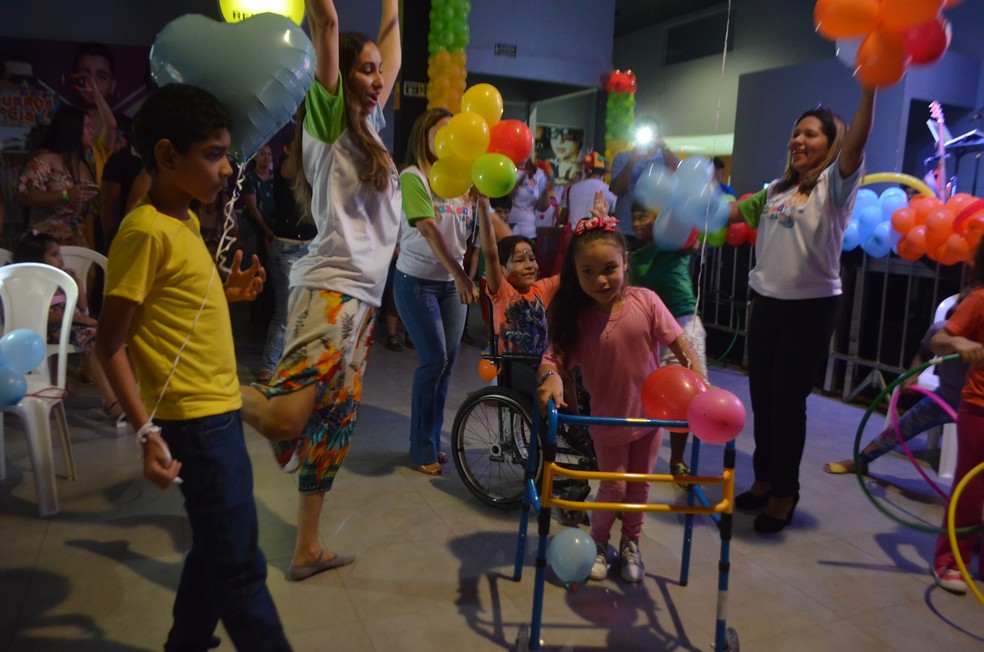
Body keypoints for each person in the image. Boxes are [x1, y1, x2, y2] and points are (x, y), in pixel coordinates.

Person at [93, 83, 290, 651]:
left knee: (215, 544)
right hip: (195, 423)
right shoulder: (145, 229)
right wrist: (146, 431)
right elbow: (111, 344)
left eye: (227, 153)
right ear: (165, 156)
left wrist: (224, 294)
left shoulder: (183, 222)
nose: (228, 168)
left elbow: (172, 306)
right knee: (241, 567)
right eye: (214, 153)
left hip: (219, 410)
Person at [239, 0, 401, 581]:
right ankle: (209, 387)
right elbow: (326, 22)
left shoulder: (374, 129)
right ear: (338, 77)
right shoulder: (327, 122)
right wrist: (327, 24)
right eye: (364, 69)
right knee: (286, 420)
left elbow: (392, 34)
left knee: (332, 429)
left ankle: (307, 547)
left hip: (362, 301)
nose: (377, 78)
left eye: (379, 69)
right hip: (330, 289)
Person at [730, 86, 876, 534]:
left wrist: (869, 88)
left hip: (809, 309)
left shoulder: (835, 185)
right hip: (767, 304)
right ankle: (765, 478)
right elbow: (733, 214)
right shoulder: (778, 188)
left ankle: (785, 493)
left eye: (811, 134)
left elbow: (857, 142)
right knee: (763, 401)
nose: (799, 140)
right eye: (795, 133)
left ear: (830, 144)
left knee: (787, 404)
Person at [536, 211, 704, 583]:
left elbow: (678, 341)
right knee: (613, 483)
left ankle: (631, 544)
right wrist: (551, 379)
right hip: (607, 421)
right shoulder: (578, 319)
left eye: (609, 268)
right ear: (575, 274)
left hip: (649, 418)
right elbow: (553, 358)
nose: (600, 279)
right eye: (588, 272)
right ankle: (598, 543)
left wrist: (698, 379)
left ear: (626, 263)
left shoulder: (646, 301)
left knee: (640, 483)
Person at [394, 107, 478, 475]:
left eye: (453, 130)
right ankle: (421, 447)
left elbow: (473, 234)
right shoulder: (414, 177)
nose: (448, 137)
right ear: (423, 135)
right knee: (433, 362)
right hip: (416, 281)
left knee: (446, 367)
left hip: (451, 284)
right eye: (440, 130)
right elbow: (428, 229)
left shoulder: (463, 182)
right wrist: (461, 274)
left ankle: (430, 438)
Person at [824, 316, 967, 475]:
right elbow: (924, 353)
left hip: (975, 403)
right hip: (944, 396)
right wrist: (912, 375)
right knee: (901, 428)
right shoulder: (941, 329)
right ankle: (861, 461)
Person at [629, 201, 707, 485]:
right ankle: (639, 457)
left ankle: (677, 461)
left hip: (684, 325)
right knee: (645, 395)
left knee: (687, 396)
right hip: (650, 331)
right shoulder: (634, 257)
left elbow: (691, 234)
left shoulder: (675, 244)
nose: (637, 223)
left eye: (643, 217)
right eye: (633, 218)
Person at [14, 231, 125, 425]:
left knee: (104, 337)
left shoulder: (61, 281)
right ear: (37, 259)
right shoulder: (36, 284)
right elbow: (42, 314)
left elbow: (81, 306)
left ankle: (120, 394)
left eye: (60, 254)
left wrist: (77, 284)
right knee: (93, 339)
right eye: (54, 255)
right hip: (53, 328)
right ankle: (112, 402)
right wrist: (79, 319)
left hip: (75, 325)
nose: (60, 259)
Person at [928, 245, 984, 596]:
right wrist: (960, 340)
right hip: (979, 408)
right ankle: (950, 558)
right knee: (970, 490)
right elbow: (938, 339)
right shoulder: (979, 299)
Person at [257, 134, 317, 381]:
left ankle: (292, 365)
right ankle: (268, 368)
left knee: (305, 312)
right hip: (287, 249)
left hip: (310, 248)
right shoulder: (286, 165)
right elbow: (292, 168)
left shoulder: (311, 172)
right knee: (286, 312)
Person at [18, 105, 99, 246]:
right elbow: (25, 195)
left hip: (77, 245)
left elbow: (88, 215)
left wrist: (92, 252)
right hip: (44, 244)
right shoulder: (45, 160)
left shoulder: (84, 166)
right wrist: (65, 195)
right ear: (73, 129)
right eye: (87, 126)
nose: (92, 132)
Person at [610, 117, 680, 247]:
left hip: (655, 229)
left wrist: (665, 148)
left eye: (653, 133)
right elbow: (616, 190)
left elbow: (681, 173)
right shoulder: (623, 157)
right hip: (626, 227)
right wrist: (631, 162)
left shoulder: (664, 158)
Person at [70, 43, 118, 185]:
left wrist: (95, 93)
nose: (92, 84)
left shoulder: (127, 130)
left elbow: (111, 126)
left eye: (101, 76)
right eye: (84, 76)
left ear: (112, 84)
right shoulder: (60, 125)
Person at [508, 156, 552, 239]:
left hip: (529, 232)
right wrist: (520, 181)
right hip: (508, 228)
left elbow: (542, 207)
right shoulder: (507, 169)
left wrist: (546, 191)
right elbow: (504, 197)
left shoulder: (538, 173)